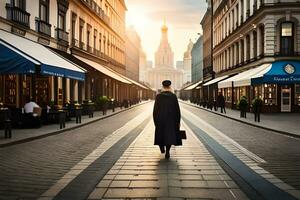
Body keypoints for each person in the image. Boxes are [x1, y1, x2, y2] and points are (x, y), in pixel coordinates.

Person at [153, 80, 182, 159]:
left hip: (160, 119)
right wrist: (178, 121)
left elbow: (155, 110)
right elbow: (177, 110)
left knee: (160, 135)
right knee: (169, 136)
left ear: (163, 87)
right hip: (171, 120)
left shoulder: (158, 96)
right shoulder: (173, 96)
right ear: (170, 87)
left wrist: (155, 121)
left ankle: (162, 148)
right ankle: (168, 151)